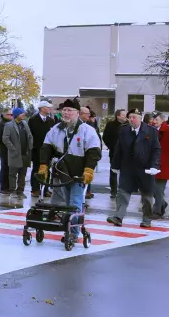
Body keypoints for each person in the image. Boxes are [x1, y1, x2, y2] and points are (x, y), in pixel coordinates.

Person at [37, 98, 101, 242]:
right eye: (63, 110)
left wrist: (89, 170)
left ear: (77, 113)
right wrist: (43, 165)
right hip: (62, 170)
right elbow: (46, 148)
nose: (65, 113)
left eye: (69, 111)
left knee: (75, 201)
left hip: (79, 171)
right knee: (67, 203)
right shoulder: (56, 129)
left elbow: (94, 152)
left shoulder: (87, 130)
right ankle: (67, 227)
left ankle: (74, 232)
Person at [107, 109, 161, 228]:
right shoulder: (124, 130)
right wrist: (115, 165)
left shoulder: (150, 131)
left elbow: (156, 150)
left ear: (140, 118)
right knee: (123, 192)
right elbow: (119, 148)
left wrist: (154, 165)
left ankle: (147, 219)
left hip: (145, 168)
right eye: (130, 117)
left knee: (147, 195)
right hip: (128, 167)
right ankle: (118, 217)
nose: (131, 119)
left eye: (134, 117)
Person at [2, 107, 33, 201]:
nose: (23, 114)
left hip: (25, 153)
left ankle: (20, 191)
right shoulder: (9, 125)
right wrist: (13, 149)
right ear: (16, 115)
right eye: (21, 113)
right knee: (12, 174)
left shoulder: (25, 124)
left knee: (22, 174)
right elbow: (5, 139)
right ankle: (12, 191)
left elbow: (30, 136)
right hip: (14, 154)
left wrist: (30, 146)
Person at [27, 100, 55, 198]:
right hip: (37, 149)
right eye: (48, 107)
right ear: (43, 108)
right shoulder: (33, 120)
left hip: (48, 150)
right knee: (36, 169)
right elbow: (30, 135)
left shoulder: (51, 121)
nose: (49, 109)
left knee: (47, 169)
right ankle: (35, 189)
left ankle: (45, 189)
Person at [102, 109, 127, 199]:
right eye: (123, 115)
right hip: (114, 152)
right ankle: (113, 190)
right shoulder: (111, 125)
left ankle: (124, 190)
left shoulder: (127, 125)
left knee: (125, 172)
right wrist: (111, 146)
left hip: (126, 153)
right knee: (113, 171)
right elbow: (105, 137)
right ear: (118, 116)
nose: (125, 117)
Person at [0, 109, 13, 195]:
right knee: (4, 169)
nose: (11, 116)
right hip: (4, 151)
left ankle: (9, 186)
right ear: (5, 115)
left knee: (9, 169)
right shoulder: (1, 125)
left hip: (10, 151)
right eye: (10, 115)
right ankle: (4, 187)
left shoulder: (9, 124)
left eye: (12, 115)